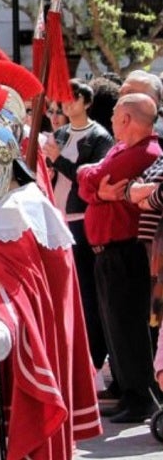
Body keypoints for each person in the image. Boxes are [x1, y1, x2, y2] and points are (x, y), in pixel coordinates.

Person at [0, 77, 100, 459]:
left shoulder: (19, 209)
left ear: (3, 162)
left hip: (12, 345)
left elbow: (26, 288)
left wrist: (9, 329)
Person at [76, 92, 161, 423]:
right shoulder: (120, 148)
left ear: (127, 119)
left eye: (114, 114)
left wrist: (92, 182)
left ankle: (142, 397)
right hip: (108, 252)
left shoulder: (144, 152)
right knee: (115, 326)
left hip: (126, 250)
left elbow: (93, 177)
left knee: (128, 327)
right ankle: (130, 392)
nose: (109, 119)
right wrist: (96, 188)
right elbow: (89, 177)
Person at [42, 79, 113, 380]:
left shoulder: (99, 137)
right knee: (65, 292)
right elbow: (49, 172)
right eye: (63, 101)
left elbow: (91, 180)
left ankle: (95, 358)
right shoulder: (59, 134)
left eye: (73, 100)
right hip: (58, 219)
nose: (66, 106)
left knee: (87, 292)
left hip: (83, 222)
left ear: (86, 101)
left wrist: (59, 161)